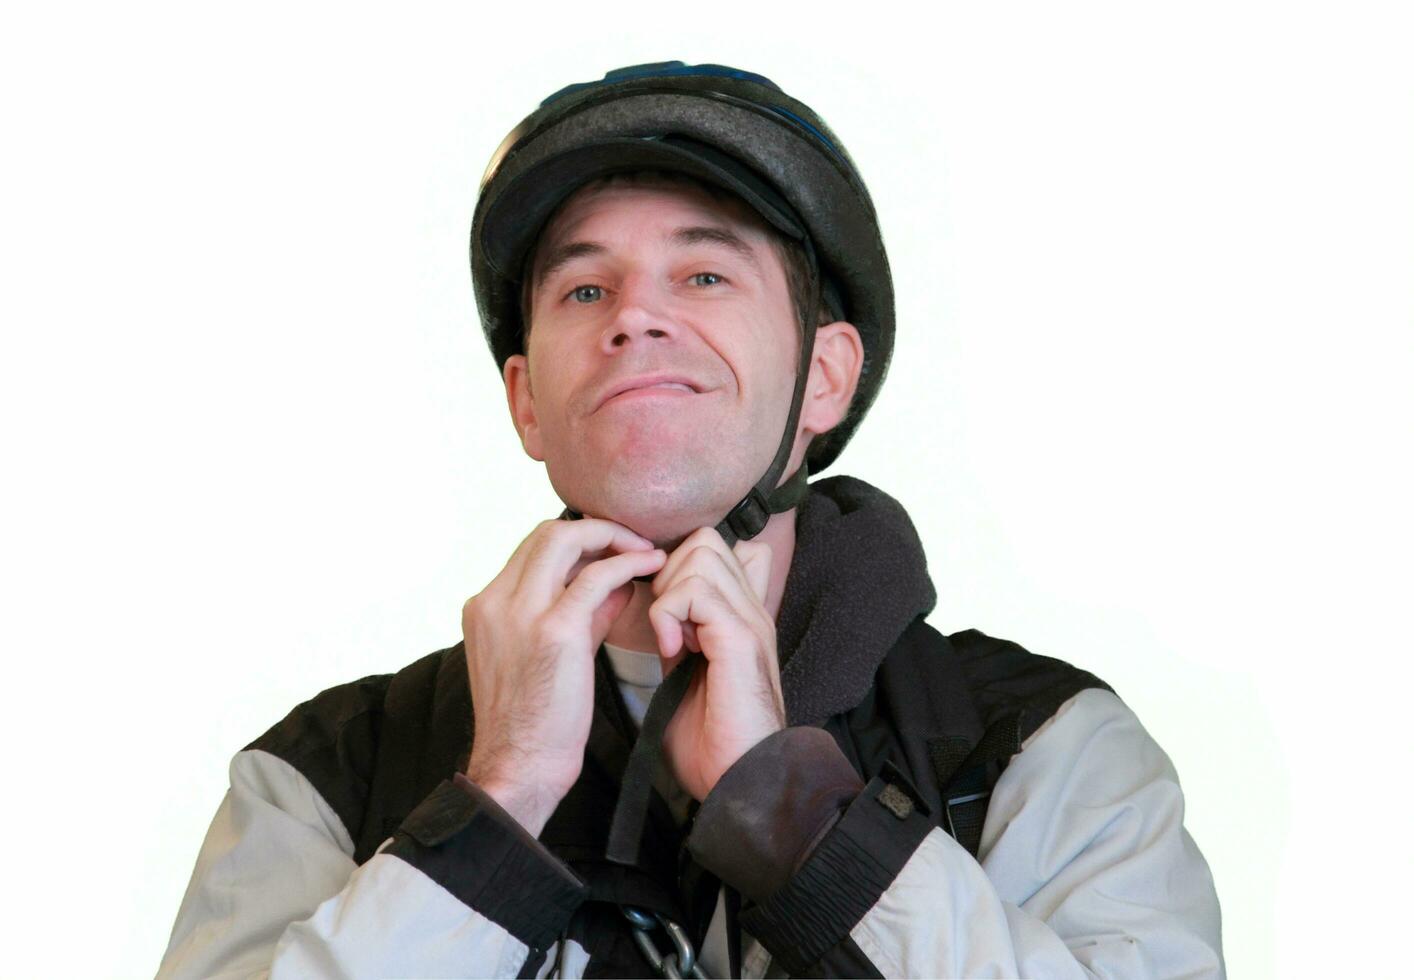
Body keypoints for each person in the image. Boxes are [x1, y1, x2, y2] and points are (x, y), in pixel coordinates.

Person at [158, 61, 1225, 979]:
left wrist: (801, 821)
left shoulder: (1042, 749)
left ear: (825, 378)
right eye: (584, 290)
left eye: (705, 272)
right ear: (526, 400)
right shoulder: (324, 779)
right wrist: (497, 798)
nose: (635, 315)